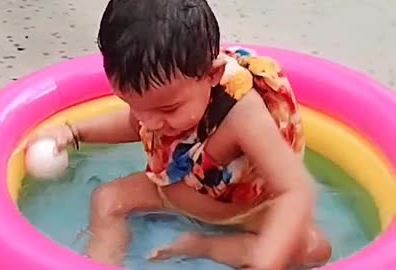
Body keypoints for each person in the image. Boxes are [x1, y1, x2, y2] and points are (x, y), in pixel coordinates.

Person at [28, 0, 332, 269]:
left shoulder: (243, 114)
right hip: (173, 191)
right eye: (134, 105)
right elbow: (135, 124)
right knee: (106, 200)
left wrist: (268, 260)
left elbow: (296, 189)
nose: (151, 122)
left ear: (212, 76)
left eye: (167, 110)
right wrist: (74, 131)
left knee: (313, 250)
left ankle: (207, 246)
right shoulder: (158, 101)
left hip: (243, 212)